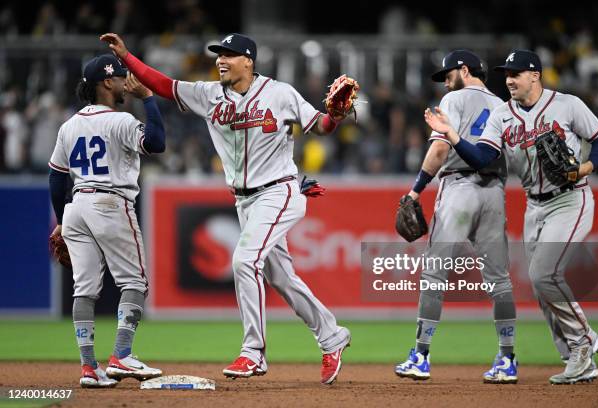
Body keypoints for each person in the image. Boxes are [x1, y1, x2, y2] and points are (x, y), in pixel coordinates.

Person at [100, 32, 352, 385]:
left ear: (248, 61)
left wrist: (336, 116)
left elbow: (321, 126)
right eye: (219, 54)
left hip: (279, 192)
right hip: (244, 200)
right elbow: (163, 84)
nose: (221, 59)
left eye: (230, 54)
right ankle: (332, 336)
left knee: (244, 261)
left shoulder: (280, 93)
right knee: (281, 278)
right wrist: (127, 56)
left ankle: (253, 353)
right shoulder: (208, 95)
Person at [425, 49, 598, 384]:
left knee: (543, 273)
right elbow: (483, 158)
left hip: (571, 198)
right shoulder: (501, 114)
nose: (509, 79)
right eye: (506, 74)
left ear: (535, 76)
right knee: (541, 287)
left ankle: (584, 340)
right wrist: (453, 135)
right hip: (534, 204)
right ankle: (575, 358)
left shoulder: (567, 104)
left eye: (516, 73)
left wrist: (586, 167)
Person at [394, 50, 518, 383]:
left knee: (435, 275)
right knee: (499, 280)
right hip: (495, 193)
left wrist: (415, 190)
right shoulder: (504, 106)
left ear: (465, 69)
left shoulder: (454, 99)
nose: (446, 80)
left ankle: (420, 356)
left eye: (449, 73)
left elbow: (439, 149)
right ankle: (507, 359)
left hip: (459, 189)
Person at [48, 54, 165, 388]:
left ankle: (89, 369)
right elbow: (157, 143)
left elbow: (57, 178)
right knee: (135, 282)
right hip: (111, 201)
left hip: (76, 207)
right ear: (106, 83)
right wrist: (148, 98)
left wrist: (60, 220)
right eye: (121, 77)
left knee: (83, 289)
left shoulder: (68, 125)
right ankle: (122, 356)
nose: (127, 82)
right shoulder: (121, 121)